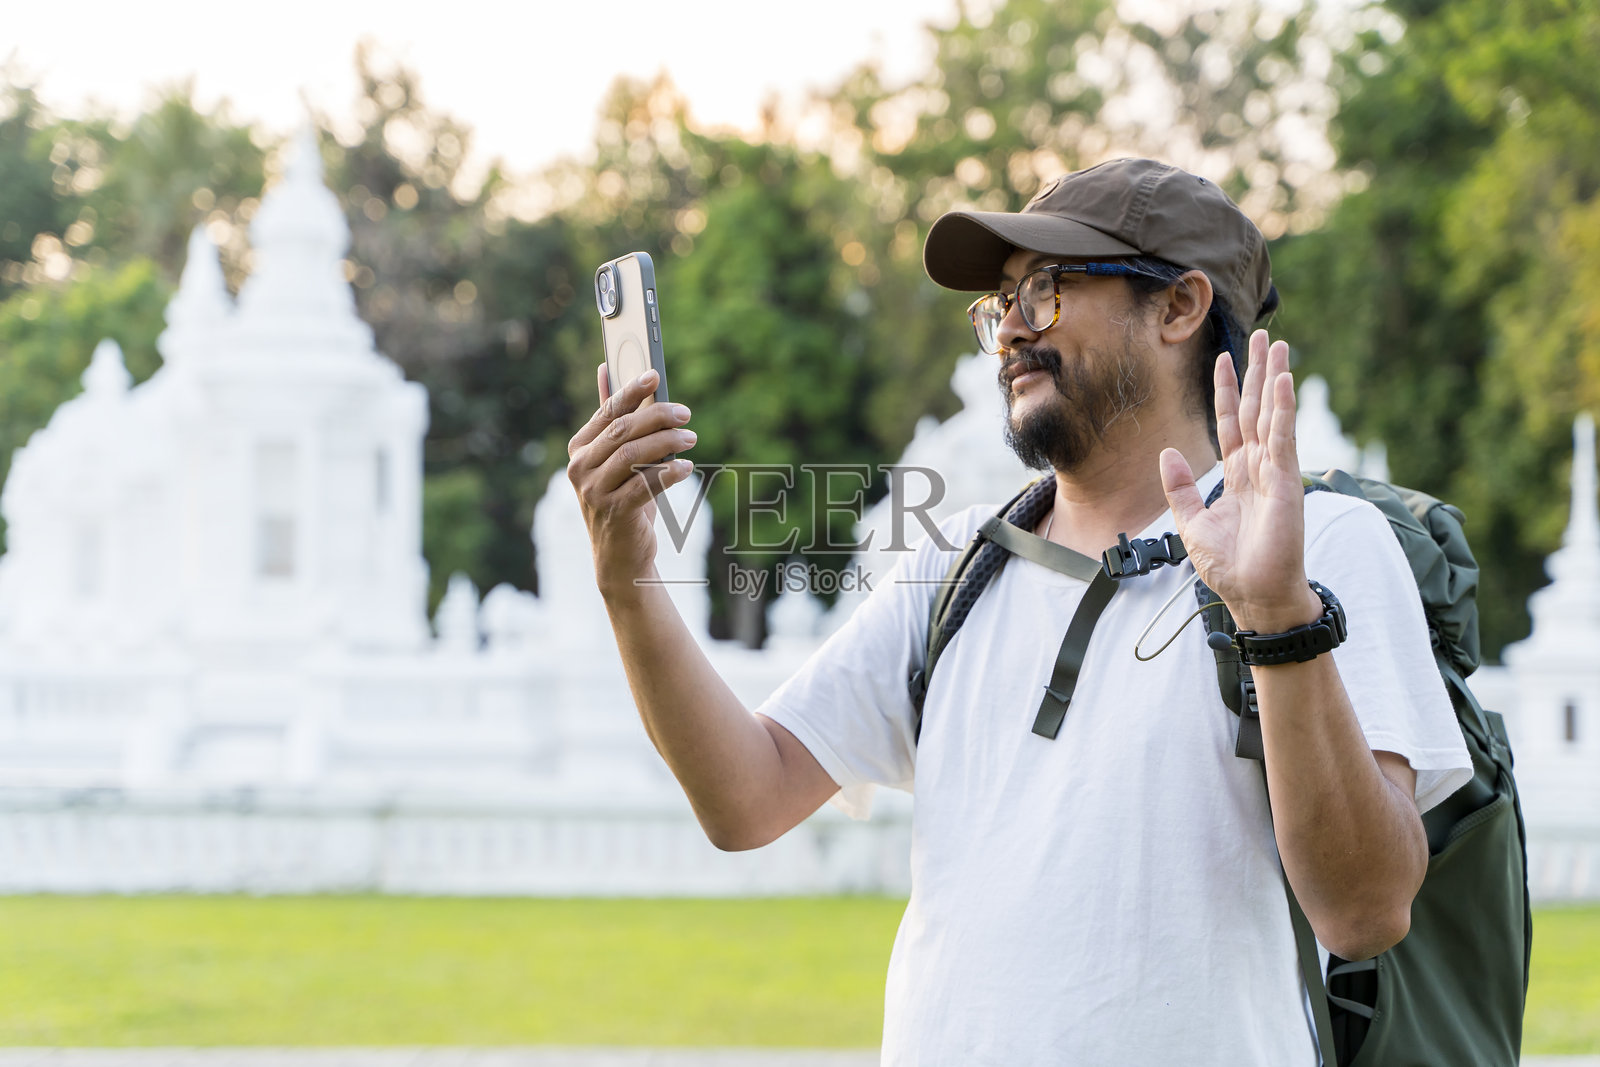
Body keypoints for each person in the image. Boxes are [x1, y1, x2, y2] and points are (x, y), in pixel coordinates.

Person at [565, 157, 1472, 1064]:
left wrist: (1278, 616)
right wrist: (625, 582)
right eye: (998, 304)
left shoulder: (1324, 543)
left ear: (1178, 308)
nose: (1007, 333)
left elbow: (1365, 911)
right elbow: (744, 797)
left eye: (1044, 290)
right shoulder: (958, 560)